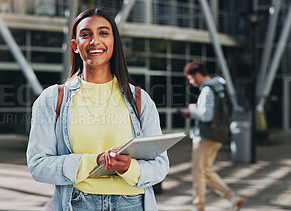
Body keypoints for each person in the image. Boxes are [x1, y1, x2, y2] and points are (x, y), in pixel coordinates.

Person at [27, 9, 169, 211]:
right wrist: (94, 161)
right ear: (75, 46)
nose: (95, 41)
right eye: (86, 34)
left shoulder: (139, 99)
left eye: (103, 33)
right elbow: (38, 165)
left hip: (132, 204)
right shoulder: (52, 99)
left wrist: (129, 167)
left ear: (114, 42)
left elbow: (161, 166)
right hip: (78, 203)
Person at [181, 61, 244, 211]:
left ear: (197, 74)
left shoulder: (207, 90)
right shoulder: (217, 87)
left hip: (205, 138)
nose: (190, 81)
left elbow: (206, 115)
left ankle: (199, 206)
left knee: (198, 173)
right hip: (215, 136)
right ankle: (233, 198)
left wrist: (193, 110)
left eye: (190, 78)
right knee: (206, 170)